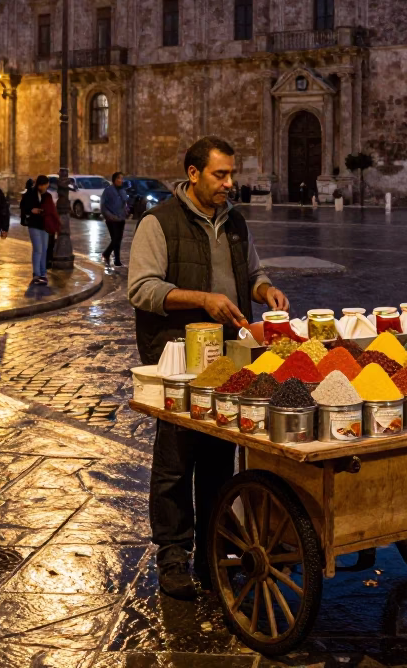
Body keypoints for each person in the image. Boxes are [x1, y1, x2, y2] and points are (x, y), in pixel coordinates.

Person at [128, 136, 289, 599]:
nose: (229, 183)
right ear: (193, 173)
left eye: (231, 174)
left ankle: (212, 551)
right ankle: (173, 556)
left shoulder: (236, 223)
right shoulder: (159, 223)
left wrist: (265, 292)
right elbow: (142, 289)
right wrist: (201, 299)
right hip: (176, 358)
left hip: (229, 359)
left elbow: (253, 274)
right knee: (177, 462)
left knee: (220, 459)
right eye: (220, 175)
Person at [20, 175, 57, 285]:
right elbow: (23, 206)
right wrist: (32, 210)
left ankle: (43, 273)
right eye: (41, 185)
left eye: (45, 185)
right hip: (34, 224)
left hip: (44, 225)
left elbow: (51, 209)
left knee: (44, 249)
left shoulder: (47, 195)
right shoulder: (30, 194)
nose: (43, 187)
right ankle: (36, 274)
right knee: (38, 249)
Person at [101, 171, 130, 266]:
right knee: (116, 239)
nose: (121, 180)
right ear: (114, 180)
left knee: (118, 239)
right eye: (119, 178)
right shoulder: (108, 190)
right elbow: (103, 205)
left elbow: (125, 203)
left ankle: (112, 257)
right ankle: (110, 256)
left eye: (122, 178)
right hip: (111, 219)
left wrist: (127, 211)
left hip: (121, 218)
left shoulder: (122, 190)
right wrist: (109, 215)